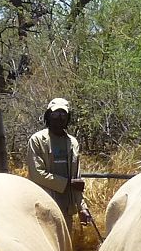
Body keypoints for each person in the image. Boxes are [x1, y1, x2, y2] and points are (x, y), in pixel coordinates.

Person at [26, 97, 94, 240]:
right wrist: (67, 183)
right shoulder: (37, 140)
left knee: (64, 247)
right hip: (43, 206)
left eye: (63, 114)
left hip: (66, 208)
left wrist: (82, 207)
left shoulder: (72, 142)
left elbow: (76, 180)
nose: (59, 118)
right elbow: (37, 174)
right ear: (48, 116)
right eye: (55, 114)